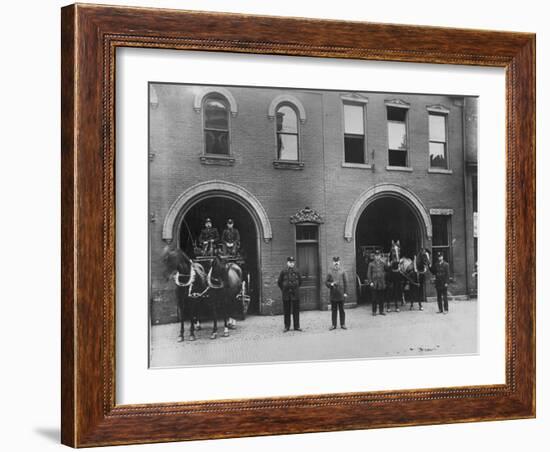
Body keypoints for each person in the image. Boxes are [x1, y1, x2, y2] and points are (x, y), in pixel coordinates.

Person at [277, 256, 303, 332]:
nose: (291, 264)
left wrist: (295, 288)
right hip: (286, 294)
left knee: (296, 311)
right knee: (286, 311)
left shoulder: (297, 271)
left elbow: (300, 282)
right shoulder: (283, 271)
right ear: (287, 263)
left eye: (292, 262)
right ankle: (287, 326)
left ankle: (296, 326)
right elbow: (279, 282)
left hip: (295, 294)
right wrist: (284, 289)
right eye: (290, 262)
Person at [325, 256, 348, 330]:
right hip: (333, 294)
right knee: (334, 310)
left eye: (337, 261)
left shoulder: (343, 271)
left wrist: (345, 292)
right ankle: (333, 325)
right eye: (335, 262)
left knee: (342, 310)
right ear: (333, 262)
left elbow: (346, 282)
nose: (336, 263)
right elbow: (326, 282)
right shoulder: (330, 271)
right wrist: (330, 284)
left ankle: (343, 324)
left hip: (341, 293)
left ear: (339, 262)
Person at [367, 249, 387, 316]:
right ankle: (374, 311)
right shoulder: (371, 264)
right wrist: (370, 282)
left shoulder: (383, 263)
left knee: (382, 298)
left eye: (378, 255)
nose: (377, 257)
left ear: (380, 256)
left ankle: (381, 311)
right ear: (374, 256)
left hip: (381, 283)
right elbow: (369, 274)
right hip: (374, 283)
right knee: (374, 298)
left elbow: (386, 271)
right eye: (376, 255)